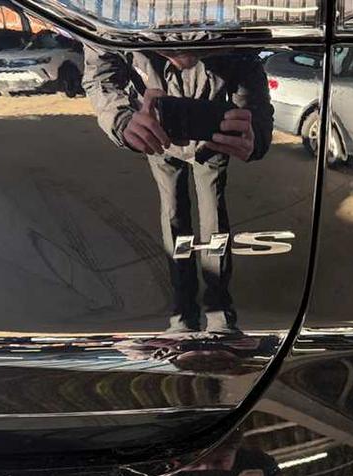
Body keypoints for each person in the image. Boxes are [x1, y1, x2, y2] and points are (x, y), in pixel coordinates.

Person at [83, 46, 273, 335]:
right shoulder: (125, 27)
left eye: (194, 48)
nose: (183, 59)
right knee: (177, 215)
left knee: (208, 216)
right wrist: (122, 120)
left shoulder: (230, 41)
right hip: (159, 135)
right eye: (170, 48)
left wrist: (255, 133)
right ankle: (186, 308)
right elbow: (100, 70)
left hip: (210, 138)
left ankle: (213, 308)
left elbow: (249, 65)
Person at [107, 430, 283, 476]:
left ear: (235, 452)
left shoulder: (256, 470)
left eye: (219, 461)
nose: (206, 469)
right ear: (171, 461)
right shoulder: (142, 475)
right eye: (193, 462)